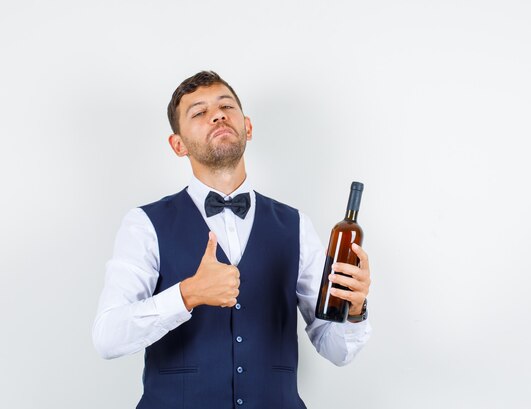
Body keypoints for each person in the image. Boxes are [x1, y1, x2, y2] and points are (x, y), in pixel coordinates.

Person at [92, 71, 372, 409]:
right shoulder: (144, 224)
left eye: (227, 106)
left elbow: (336, 350)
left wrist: (354, 310)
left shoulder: (296, 225)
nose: (218, 114)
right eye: (199, 112)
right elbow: (107, 337)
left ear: (248, 127)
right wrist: (188, 294)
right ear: (178, 144)